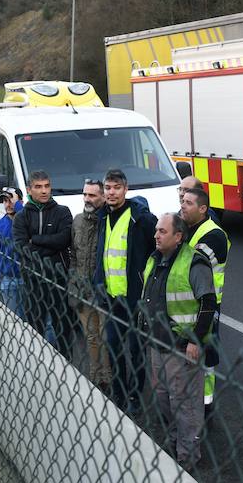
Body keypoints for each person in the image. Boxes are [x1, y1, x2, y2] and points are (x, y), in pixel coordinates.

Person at [140, 213, 216, 471]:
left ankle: (187, 456)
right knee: (163, 398)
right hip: (157, 343)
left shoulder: (194, 263)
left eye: (162, 231)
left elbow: (208, 303)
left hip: (181, 346)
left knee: (185, 404)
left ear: (178, 236)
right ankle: (174, 443)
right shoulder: (155, 259)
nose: (156, 235)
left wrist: (195, 340)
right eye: (156, 231)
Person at [95, 167, 158, 413]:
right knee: (114, 347)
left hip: (135, 299)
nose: (111, 193)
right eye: (108, 188)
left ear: (125, 189)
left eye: (116, 188)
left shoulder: (140, 218)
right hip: (112, 297)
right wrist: (98, 283)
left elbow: (155, 249)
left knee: (136, 349)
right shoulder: (103, 216)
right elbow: (104, 253)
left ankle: (135, 395)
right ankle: (119, 392)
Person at [178, 185, 227, 415]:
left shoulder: (214, 234)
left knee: (205, 356)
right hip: (186, 303)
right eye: (182, 201)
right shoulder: (188, 228)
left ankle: (205, 407)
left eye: (188, 203)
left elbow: (188, 263)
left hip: (206, 304)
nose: (182, 206)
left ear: (203, 208)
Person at [14, 170, 73, 355]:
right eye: (38, 187)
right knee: (35, 330)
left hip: (58, 280)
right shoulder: (21, 217)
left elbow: (63, 240)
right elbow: (22, 249)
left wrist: (36, 240)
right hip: (33, 281)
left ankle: (67, 365)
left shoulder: (62, 212)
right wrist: (51, 246)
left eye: (47, 186)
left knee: (63, 329)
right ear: (29, 190)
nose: (44, 191)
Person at [71, 178, 110, 389]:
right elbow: (74, 256)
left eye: (93, 195)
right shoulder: (77, 221)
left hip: (103, 293)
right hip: (82, 291)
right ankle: (95, 376)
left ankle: (109, 377)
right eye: (85, 194)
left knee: (106, 338)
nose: (87, 199)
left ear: (103, 197)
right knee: (91, 336)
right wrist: (73, 285)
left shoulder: (108, 221)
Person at [0, 187, 24, 315]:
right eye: (5, 201)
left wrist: (18, 206)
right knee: (14, 317)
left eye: (11, 200)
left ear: (20, 202)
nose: (8, 204)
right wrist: (0, 276)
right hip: (8, 280)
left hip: (27, 278)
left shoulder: (27, 220)